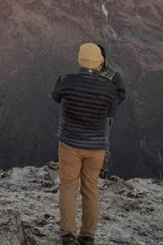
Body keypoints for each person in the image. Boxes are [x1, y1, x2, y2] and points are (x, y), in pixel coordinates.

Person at [51, 43, 126, 245]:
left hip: (69, 144)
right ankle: (87, 236)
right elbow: (112, 110)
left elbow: (55, 97)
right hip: (96, 147)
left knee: (68, 187)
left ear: (80, 59)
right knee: (90, 189)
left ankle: (67, 234)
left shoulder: (65, 81)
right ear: (100, 61)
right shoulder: (110, 88)